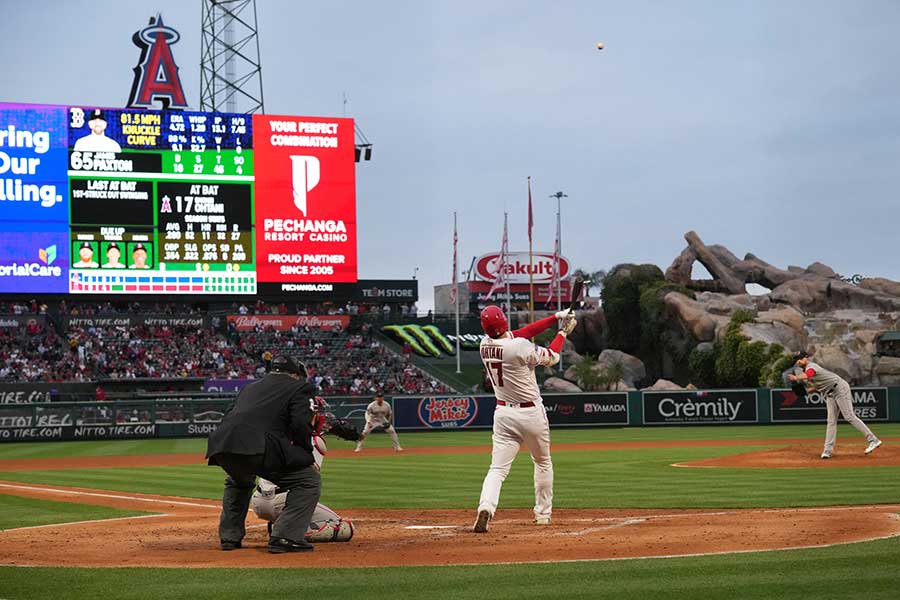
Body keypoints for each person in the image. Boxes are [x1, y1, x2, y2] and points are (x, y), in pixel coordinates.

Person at [473, 306, 576, 533]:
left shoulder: (484, 345)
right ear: (503, 322)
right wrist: (563, 332)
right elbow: (553, 357)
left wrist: (555, 317)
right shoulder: (518, 346)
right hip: (530, 413)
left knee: (497, 469)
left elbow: (523, 333)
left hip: (503, 414)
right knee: (542, 462)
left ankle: (486, 507)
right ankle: (542, 515)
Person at [205, 355, 321, 553]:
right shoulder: (300, 387)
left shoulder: (250, 387)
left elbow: (229, 413)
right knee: (308, 480)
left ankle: (229, 537)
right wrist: (305, 455)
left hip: (222, 444)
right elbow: (301, 424)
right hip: (259, 445)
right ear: (295, 374)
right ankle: (285, 537)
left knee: (239, 480)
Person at [251, 428, 354, 543]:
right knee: (344, 528)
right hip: (285, 502)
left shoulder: (273, 434)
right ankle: (285, 532)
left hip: (258, 502)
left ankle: (281, 525)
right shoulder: (314, 441)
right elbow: (309, 476)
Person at [788, 351, 883, 459]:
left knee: (849, 416)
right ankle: (827, 451)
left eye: (800, 358)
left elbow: (809, 374)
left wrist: (796, 378)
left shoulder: (812, 366)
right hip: (830, 393)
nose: (798, 361)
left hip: (839, 388)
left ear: (806, 357)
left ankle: (873, 440)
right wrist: (805, 392)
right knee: (831, 421)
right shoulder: (806, 372)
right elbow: (815, 387)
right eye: (796, 359)